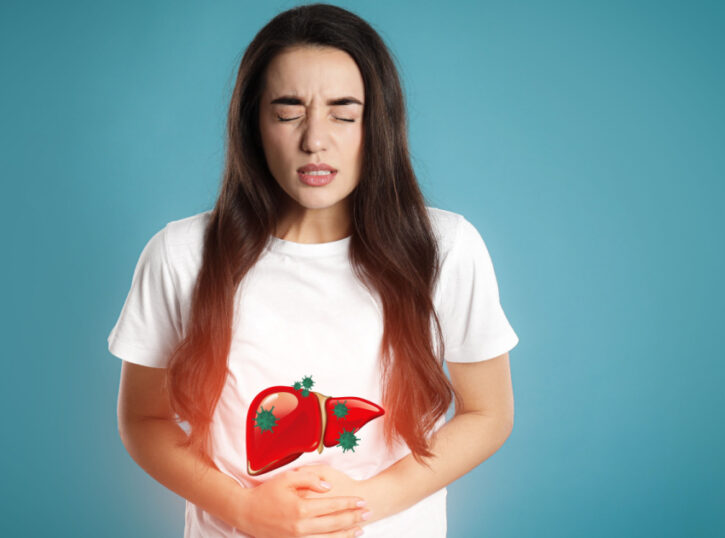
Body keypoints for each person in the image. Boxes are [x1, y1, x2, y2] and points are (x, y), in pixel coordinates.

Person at [108, 4, 519, 537]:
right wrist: (243, 510)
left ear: (378, 124)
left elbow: (489, 413)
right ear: (253, 123)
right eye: (287, 112)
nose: (314, 139)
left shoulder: (444, 248)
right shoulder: (181, 255)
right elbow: (144, 420)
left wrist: (365, 502)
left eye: (344, 113)